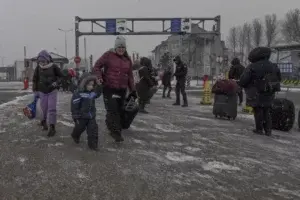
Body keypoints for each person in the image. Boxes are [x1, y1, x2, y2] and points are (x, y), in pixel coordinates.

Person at [93, 36, 137, 142]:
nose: (121, 49)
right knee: (113, 110)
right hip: (109, 87)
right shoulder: (108, 55)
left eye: (123, 47)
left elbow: (130, 76)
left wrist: (133, 90)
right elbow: (96, 66)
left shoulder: (127, 59)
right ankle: (116, 132)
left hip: (122, 89)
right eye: (119, 47)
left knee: (120, 110)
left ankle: (111, 125)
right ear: (115, 47)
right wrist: (99, 77)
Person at [239, 47, 281, 136]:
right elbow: (279, 78)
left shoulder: (252, 66)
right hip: (270, 92)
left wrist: (242, 84)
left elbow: (244, 80)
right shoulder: (274, 66)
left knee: (258, 110)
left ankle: (259, 129)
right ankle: (268, 130)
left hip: (256, 92)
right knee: (266, 110)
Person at [32, 50, 64, 136]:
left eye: (43, 61)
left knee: (52, 109)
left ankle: (52, 127)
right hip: (42, 91)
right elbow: (35, 79)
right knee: (43, 109)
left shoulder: (54, 67)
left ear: (48, 59)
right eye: (40, 61)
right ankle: (43, 122)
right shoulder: (38, 68)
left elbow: (61, 76)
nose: (42, 63)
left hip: (52, 91)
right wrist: (35, 90)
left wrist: (57, 83)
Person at [71, 74, 102, 151]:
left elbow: (98, 93)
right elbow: (74, 105)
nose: (91, 87)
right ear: (84, 84)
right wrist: (75, 115)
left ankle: (93, 145)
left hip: (91, 116)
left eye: (92, 85)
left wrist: (99, 85)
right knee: (79, 128)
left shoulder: (92, 93)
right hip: (81, 116)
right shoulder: (78, 93)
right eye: (89, 85)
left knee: (93, 130)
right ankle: (75, 135)